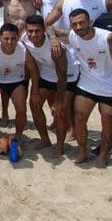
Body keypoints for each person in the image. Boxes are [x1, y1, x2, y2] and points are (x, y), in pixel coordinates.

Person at [68, 8, 112, 167]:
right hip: (87, 84)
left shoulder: (108, 38)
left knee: (107, 120)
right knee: (79, 117)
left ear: (90, 22)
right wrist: (53, 38)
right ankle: (82, 151)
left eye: (82, 22)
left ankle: (103, 154)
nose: (79, 27)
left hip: (110, 86)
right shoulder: (72, 35)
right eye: (74, 24)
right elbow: (52, 30)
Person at [22, 15, 76, 155]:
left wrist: (58, 101)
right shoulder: (25, 39)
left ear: (44, 30)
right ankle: (45, 139)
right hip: (46, 74)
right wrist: (34, 91)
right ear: (26, 30)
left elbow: (62, 77)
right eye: (30, 31)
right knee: (34, 104)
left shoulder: (57, 48)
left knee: (60, 110)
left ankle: (59, 145)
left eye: (37, 31)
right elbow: (33, 68)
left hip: (68, 76)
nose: (33, 34)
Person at [0, 23, 41, 150]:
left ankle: (18, 136)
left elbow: (34, 70)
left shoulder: (23, 49)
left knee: (21, 108)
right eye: (6, 38)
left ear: (18, 37)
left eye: (13, 38)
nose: (9, 42)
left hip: (15, 80)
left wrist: (35, 92)